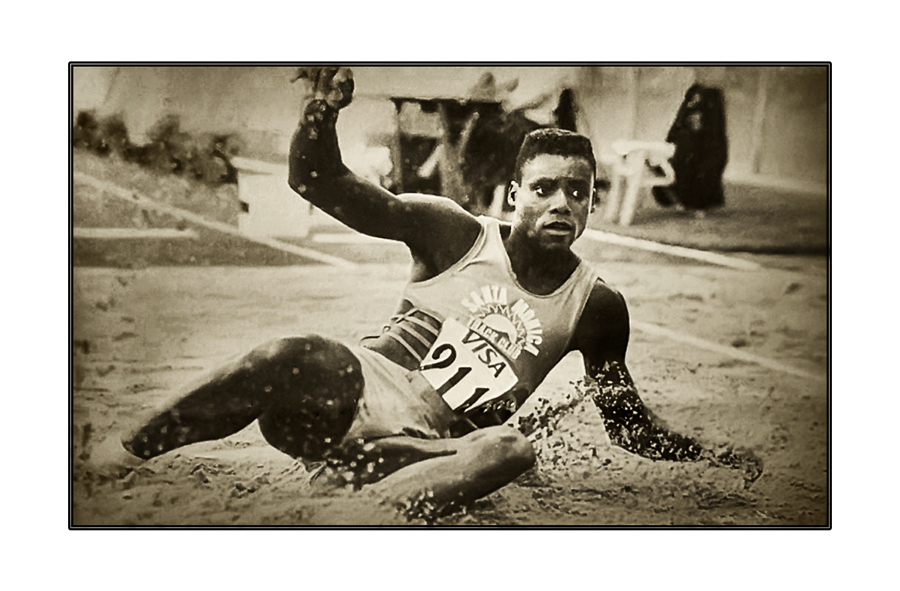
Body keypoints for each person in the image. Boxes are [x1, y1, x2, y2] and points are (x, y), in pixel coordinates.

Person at [87, 68, 760, 519]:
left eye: (578, 192)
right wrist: (319, 112)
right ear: (515, 193)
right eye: (546, 188)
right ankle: (115, 458)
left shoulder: (597, 306)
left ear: (591, 203)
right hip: (348, 398)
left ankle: (348, 512)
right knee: (295, 350)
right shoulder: (454, 232)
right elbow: (319, 183)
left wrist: (712, 455)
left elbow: (627, 422)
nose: (562, 203)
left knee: (511, 448)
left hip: (424, 451)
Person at [652, 83, 729, 215]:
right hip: (684, 153)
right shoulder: (685, 120)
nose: (692, 105)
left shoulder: (711, 123)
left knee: (698, 172)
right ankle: (684, 200)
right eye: (692, 100)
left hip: (701, 156)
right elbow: (673, 136)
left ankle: (696, 203)